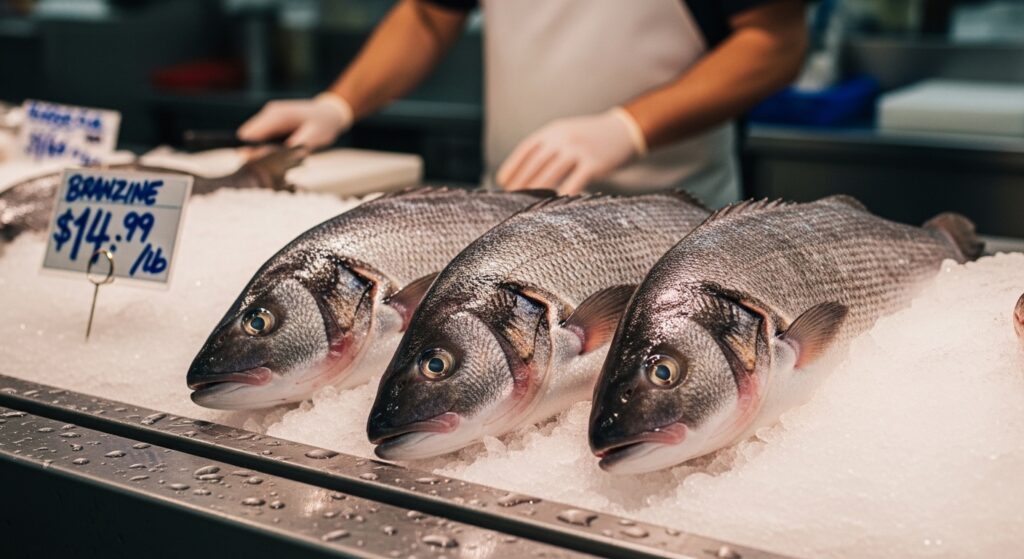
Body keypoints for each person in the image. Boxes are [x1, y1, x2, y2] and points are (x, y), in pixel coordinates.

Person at [238, 0, 806, 207]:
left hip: (672, 218)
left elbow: (775, 42)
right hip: (514, 209)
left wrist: (627, 127)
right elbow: (428, 16)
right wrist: (338, 105)